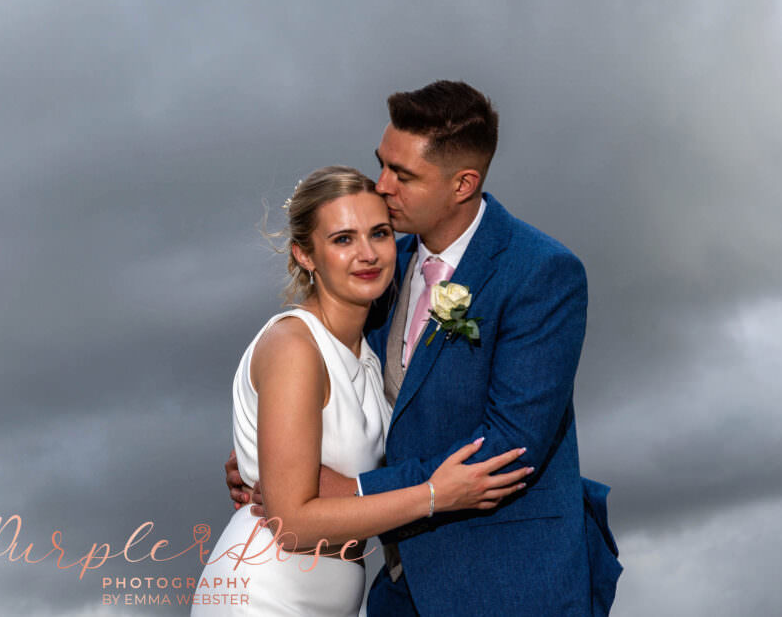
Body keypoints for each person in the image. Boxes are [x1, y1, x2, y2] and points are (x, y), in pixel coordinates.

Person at [228, 82, 622, 615]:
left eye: (403, 175)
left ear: (463, 184)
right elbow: (335, 383)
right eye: (382, 164)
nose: (382, 186)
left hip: (506, 581)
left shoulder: (540, 272)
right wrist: (273, 458)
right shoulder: (382, 264)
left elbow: (510, 447)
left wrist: (352, 488)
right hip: (393, 586)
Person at [194, 166, 530, 616]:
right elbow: (290, 520)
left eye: (380, 233)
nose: (368, 254)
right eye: (343, 239)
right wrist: (434, 495)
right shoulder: (295, 346)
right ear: (305, 255)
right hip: (266, 591)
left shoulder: (371, 354)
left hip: (338, 595)